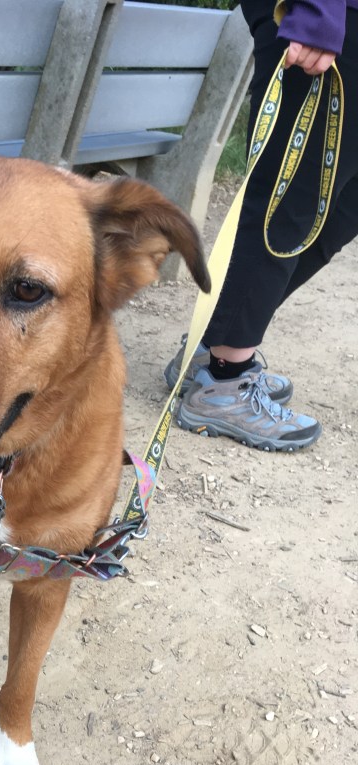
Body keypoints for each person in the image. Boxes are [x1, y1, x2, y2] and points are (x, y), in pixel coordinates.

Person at [165, 0, 358, 452]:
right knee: (289, 202)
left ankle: (212, 347)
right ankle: (224, 379)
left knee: (338, 210)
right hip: (329, 21)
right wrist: (318, 11)